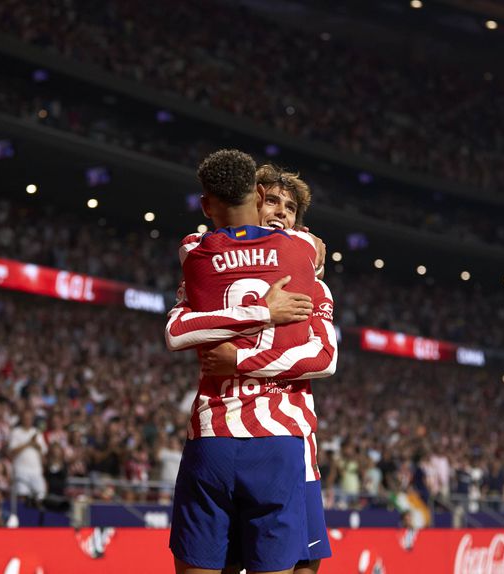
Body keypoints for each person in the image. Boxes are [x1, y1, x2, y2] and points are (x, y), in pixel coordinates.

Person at [167, 150, 336, 574]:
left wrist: (239, 359)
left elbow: (325, 357)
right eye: (272, 201)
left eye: (290, 207)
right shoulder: (304, 254)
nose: (280, 212)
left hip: (292, 447)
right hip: (264, 442)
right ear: (257, 198)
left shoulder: (197, 252)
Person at [8, 409, 47, 502]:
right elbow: (12, 451)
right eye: (25, 418)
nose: (27, 420)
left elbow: (43, 450)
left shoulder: (37, 432)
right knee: (22, 495)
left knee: (40, 495)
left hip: (36, 470)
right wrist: (28, 443)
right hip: (21, 470)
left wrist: (36, 445)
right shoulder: (16, 432)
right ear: (21, 419)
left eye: (29, 418)